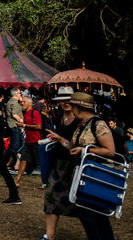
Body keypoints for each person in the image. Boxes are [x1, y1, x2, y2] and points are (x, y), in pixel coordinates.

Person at [47, 92, 116, 240]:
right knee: (94, 210)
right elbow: (74, 146)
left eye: (73, 106)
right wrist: (60, 139)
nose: (70, 109)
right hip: (84, 174)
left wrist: (86, 150)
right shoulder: (81, 126)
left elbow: (110, 150)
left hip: (96, 174)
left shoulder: (98, 124)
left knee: (87, 210)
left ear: (79, 107)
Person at [41, 86, 77, 240]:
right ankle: (49, 235)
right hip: (59, 162)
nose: (66, 102)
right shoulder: (59, 118)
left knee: (82, 201)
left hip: (76, 164)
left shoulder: (80, 119)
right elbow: (57, 137)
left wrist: (61, 140)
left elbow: (76, 144)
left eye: (69, 99)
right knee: (50, 195)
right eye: (63, 99)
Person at [14, 95, 42, 187]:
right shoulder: (25, 114)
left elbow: (38, 126)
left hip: (36, 141)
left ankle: (44, 182)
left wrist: (24, 125)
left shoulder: (34, 113)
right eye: (22, 102)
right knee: (23, 159)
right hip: (28, 141)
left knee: (40, 162)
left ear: (30, 103)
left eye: (24, 102)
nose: (22, 103)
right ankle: (17, 180)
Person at [5, 88, 23, 169]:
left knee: (13, 144)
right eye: (19, 93)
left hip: (11, 125)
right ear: (16, 94)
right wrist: (21, 121)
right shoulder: (14, 103)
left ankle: (10, 162)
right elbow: (14, 114)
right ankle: (14, 164)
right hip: (15, 125)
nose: (20, 95)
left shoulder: (10, 101)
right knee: (16, 145)